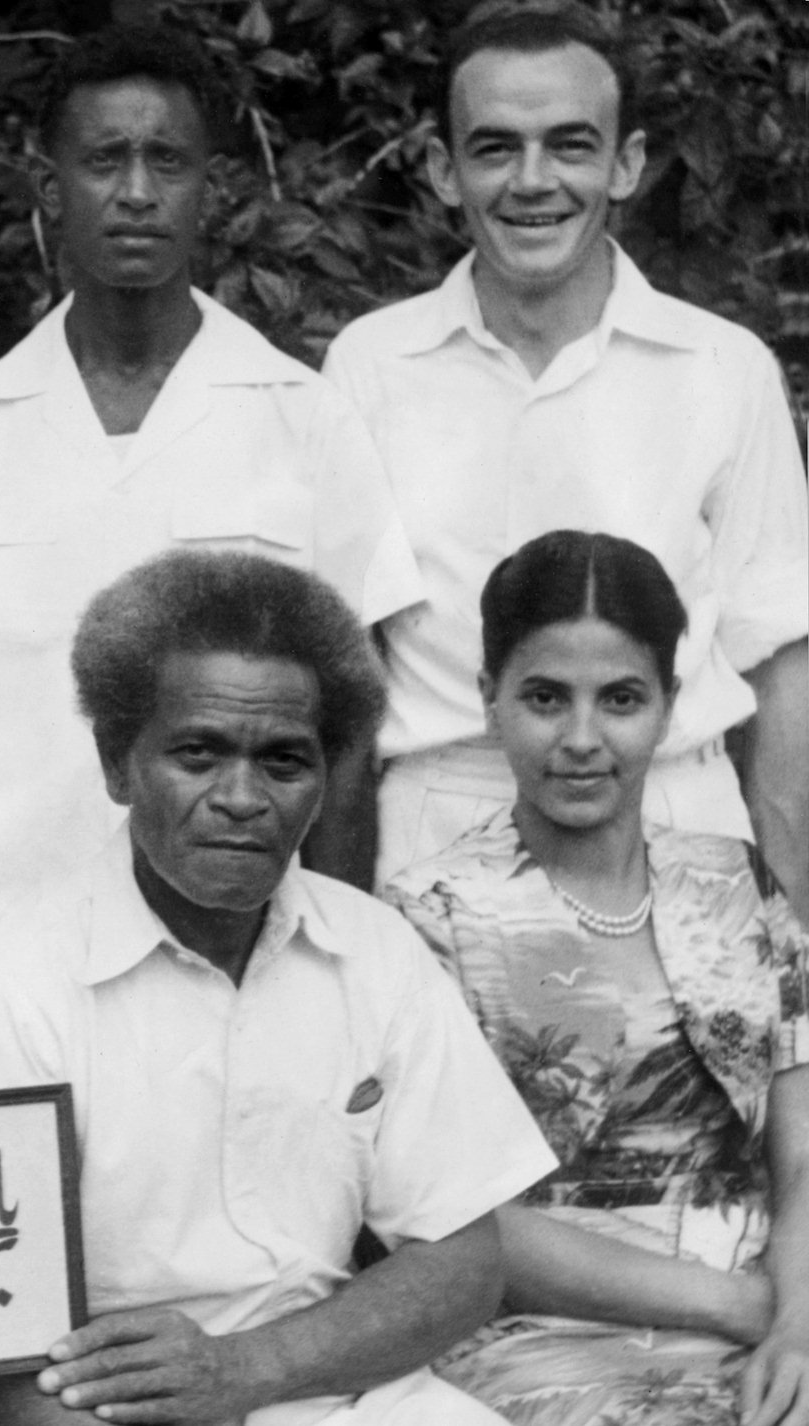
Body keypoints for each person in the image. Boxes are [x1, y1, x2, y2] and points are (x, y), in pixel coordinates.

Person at [0, 549, 555, 1426]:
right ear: (118, 764)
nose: (241, 797)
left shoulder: (374, 953)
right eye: (198, 753)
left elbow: (463, 1261)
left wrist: (245, 1369)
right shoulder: (16, 991)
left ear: (325, 778)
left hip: (335, 1390)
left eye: (284, 762)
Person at [0, 23, 421, 988]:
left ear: (208, 190)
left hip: (242, 953)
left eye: (166, 161)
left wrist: (336, 976)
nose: (136, 192)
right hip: (6, 954)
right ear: (50, 188)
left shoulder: (305, 420)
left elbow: (347, 743)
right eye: (104, 160)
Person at [323, 2, 809, 902]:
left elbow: (784, 675)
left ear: (626, 163)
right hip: (438, 831)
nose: (533, 181)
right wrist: (342, 923)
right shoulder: (370, 365)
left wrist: (798, 932)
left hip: (678, 828)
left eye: (571, 146)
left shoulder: (724, 368)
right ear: (443, 170)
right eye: (495, 148)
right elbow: (342, 668)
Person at [383, 531, 809, 1426]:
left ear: (669, 707)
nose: (582, 739)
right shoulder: (427, 920)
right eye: (545, 698)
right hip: (543, 1338)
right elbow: (450, 1219)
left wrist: (797, 1323)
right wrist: (734, 1303)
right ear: (489, 702)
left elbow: (803, 1151)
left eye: (620, 699)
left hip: (780, 1312)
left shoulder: (736, 884)